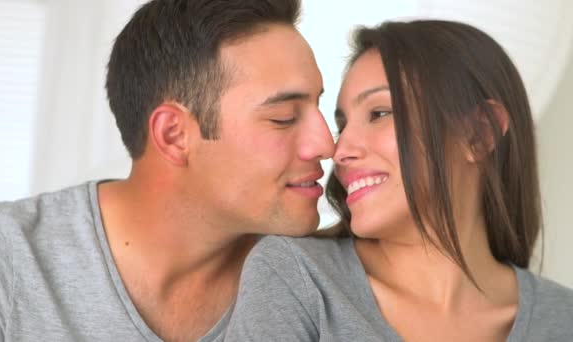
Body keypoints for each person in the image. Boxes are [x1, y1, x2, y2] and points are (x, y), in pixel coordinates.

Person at [0, 0, 335, 341]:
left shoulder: (318, 282)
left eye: (319, 107)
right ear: (173, 135)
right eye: (283, 118)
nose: (327, 145)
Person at [225, 20, 573, 341]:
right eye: (344, 124)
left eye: (379, 113)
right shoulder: (297, 277)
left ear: (478, 134)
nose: (339, 149)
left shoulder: (562, 319)